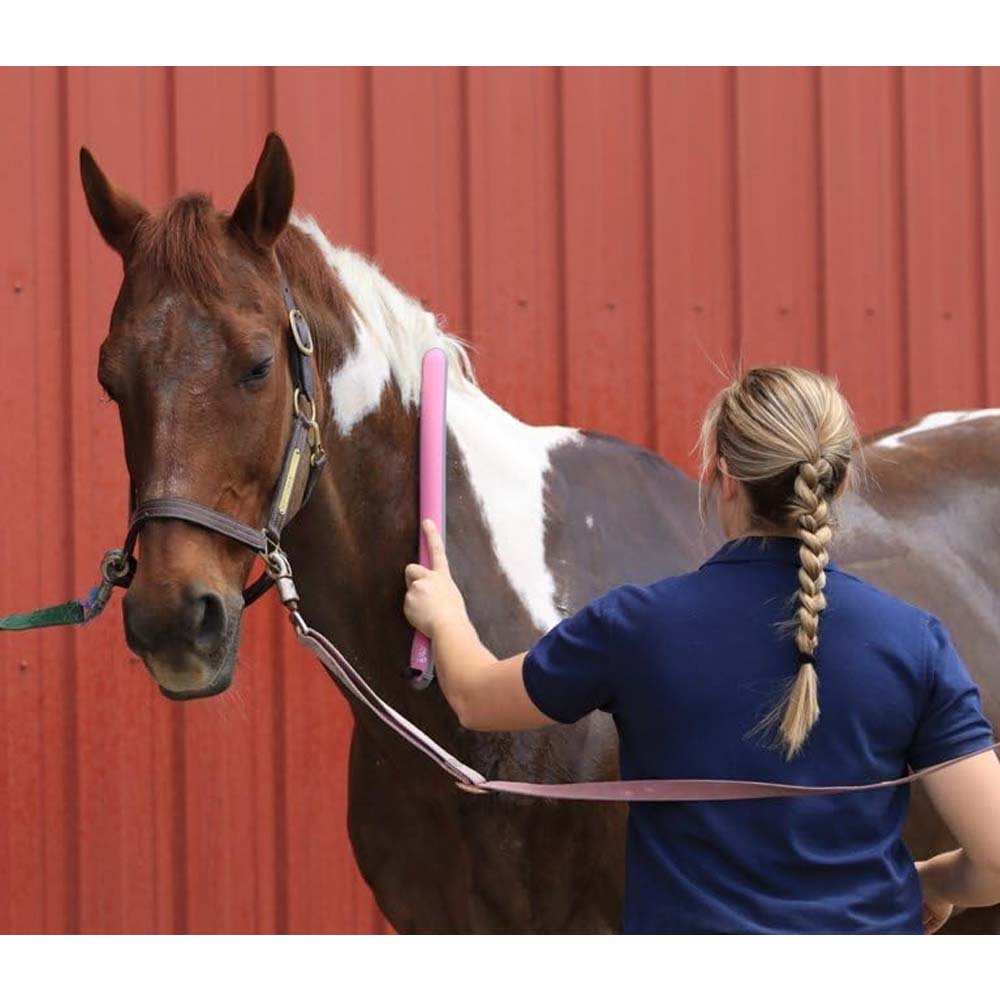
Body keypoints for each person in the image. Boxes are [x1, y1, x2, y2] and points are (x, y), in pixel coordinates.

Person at [402, 365, 1000, 934]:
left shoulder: (635, 626)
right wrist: (935, 881)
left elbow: (476, 698)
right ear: (839, 482)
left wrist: (446, 613)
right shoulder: (914, 642)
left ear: (724, 474)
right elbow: (996, 856)